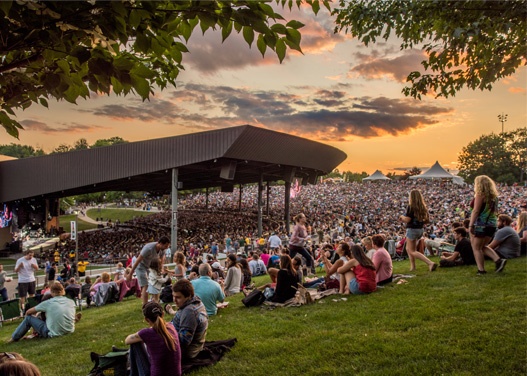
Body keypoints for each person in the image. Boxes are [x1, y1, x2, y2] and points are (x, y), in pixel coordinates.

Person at [125, 301, 181, 376]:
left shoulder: (146, 333)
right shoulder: (171, 326)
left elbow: (127, 340)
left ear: (146, 319)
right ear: (163, 314)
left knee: (135, 344)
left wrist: (141, 336)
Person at [9, 281, 78, 342]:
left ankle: (14, 337)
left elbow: (28, 312)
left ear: (52, 292)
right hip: (70, 330)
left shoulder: (48, 303)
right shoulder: (71, 301)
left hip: (53, 333)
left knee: (28, 318)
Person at [468, 175, 507, 275]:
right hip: (492, 224)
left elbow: (476, 211)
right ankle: (498, 260)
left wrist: (471, 225)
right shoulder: (494, 197)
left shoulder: (480, 195)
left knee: (476, 247)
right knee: (482, 246)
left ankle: (481, 270)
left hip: (481, 224)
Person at [398, 190, 438, 272]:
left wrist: (402, 217)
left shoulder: (410, 206)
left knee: (411, 251)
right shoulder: (423, 207)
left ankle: (430, 263)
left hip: (412, 229)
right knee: (409, 248)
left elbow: (408, 220)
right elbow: (427, 220)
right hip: (420, 229)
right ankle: (413, 267)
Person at [168, 279, 208, 360]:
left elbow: (183, 341)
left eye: (178, 297)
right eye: (173, 296)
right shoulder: (195, 301)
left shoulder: (189, 312)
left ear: (188, 296)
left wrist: (162, 336)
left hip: (186, 352)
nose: (174, 300)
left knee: (142, 347)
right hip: (193, 347)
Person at [128, 236, 171, 305]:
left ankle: (153, 301)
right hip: (140, 266)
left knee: (153, 283)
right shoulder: (149, 248)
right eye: (166, 246)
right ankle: (145, 306)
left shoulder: (163, 249)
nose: (167, 248)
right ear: (160, 243)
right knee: (145, 285)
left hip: (149, 266)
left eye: (168, 246)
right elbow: (138, 260)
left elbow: (161, 259)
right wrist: (130, 273)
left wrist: (161, 269)